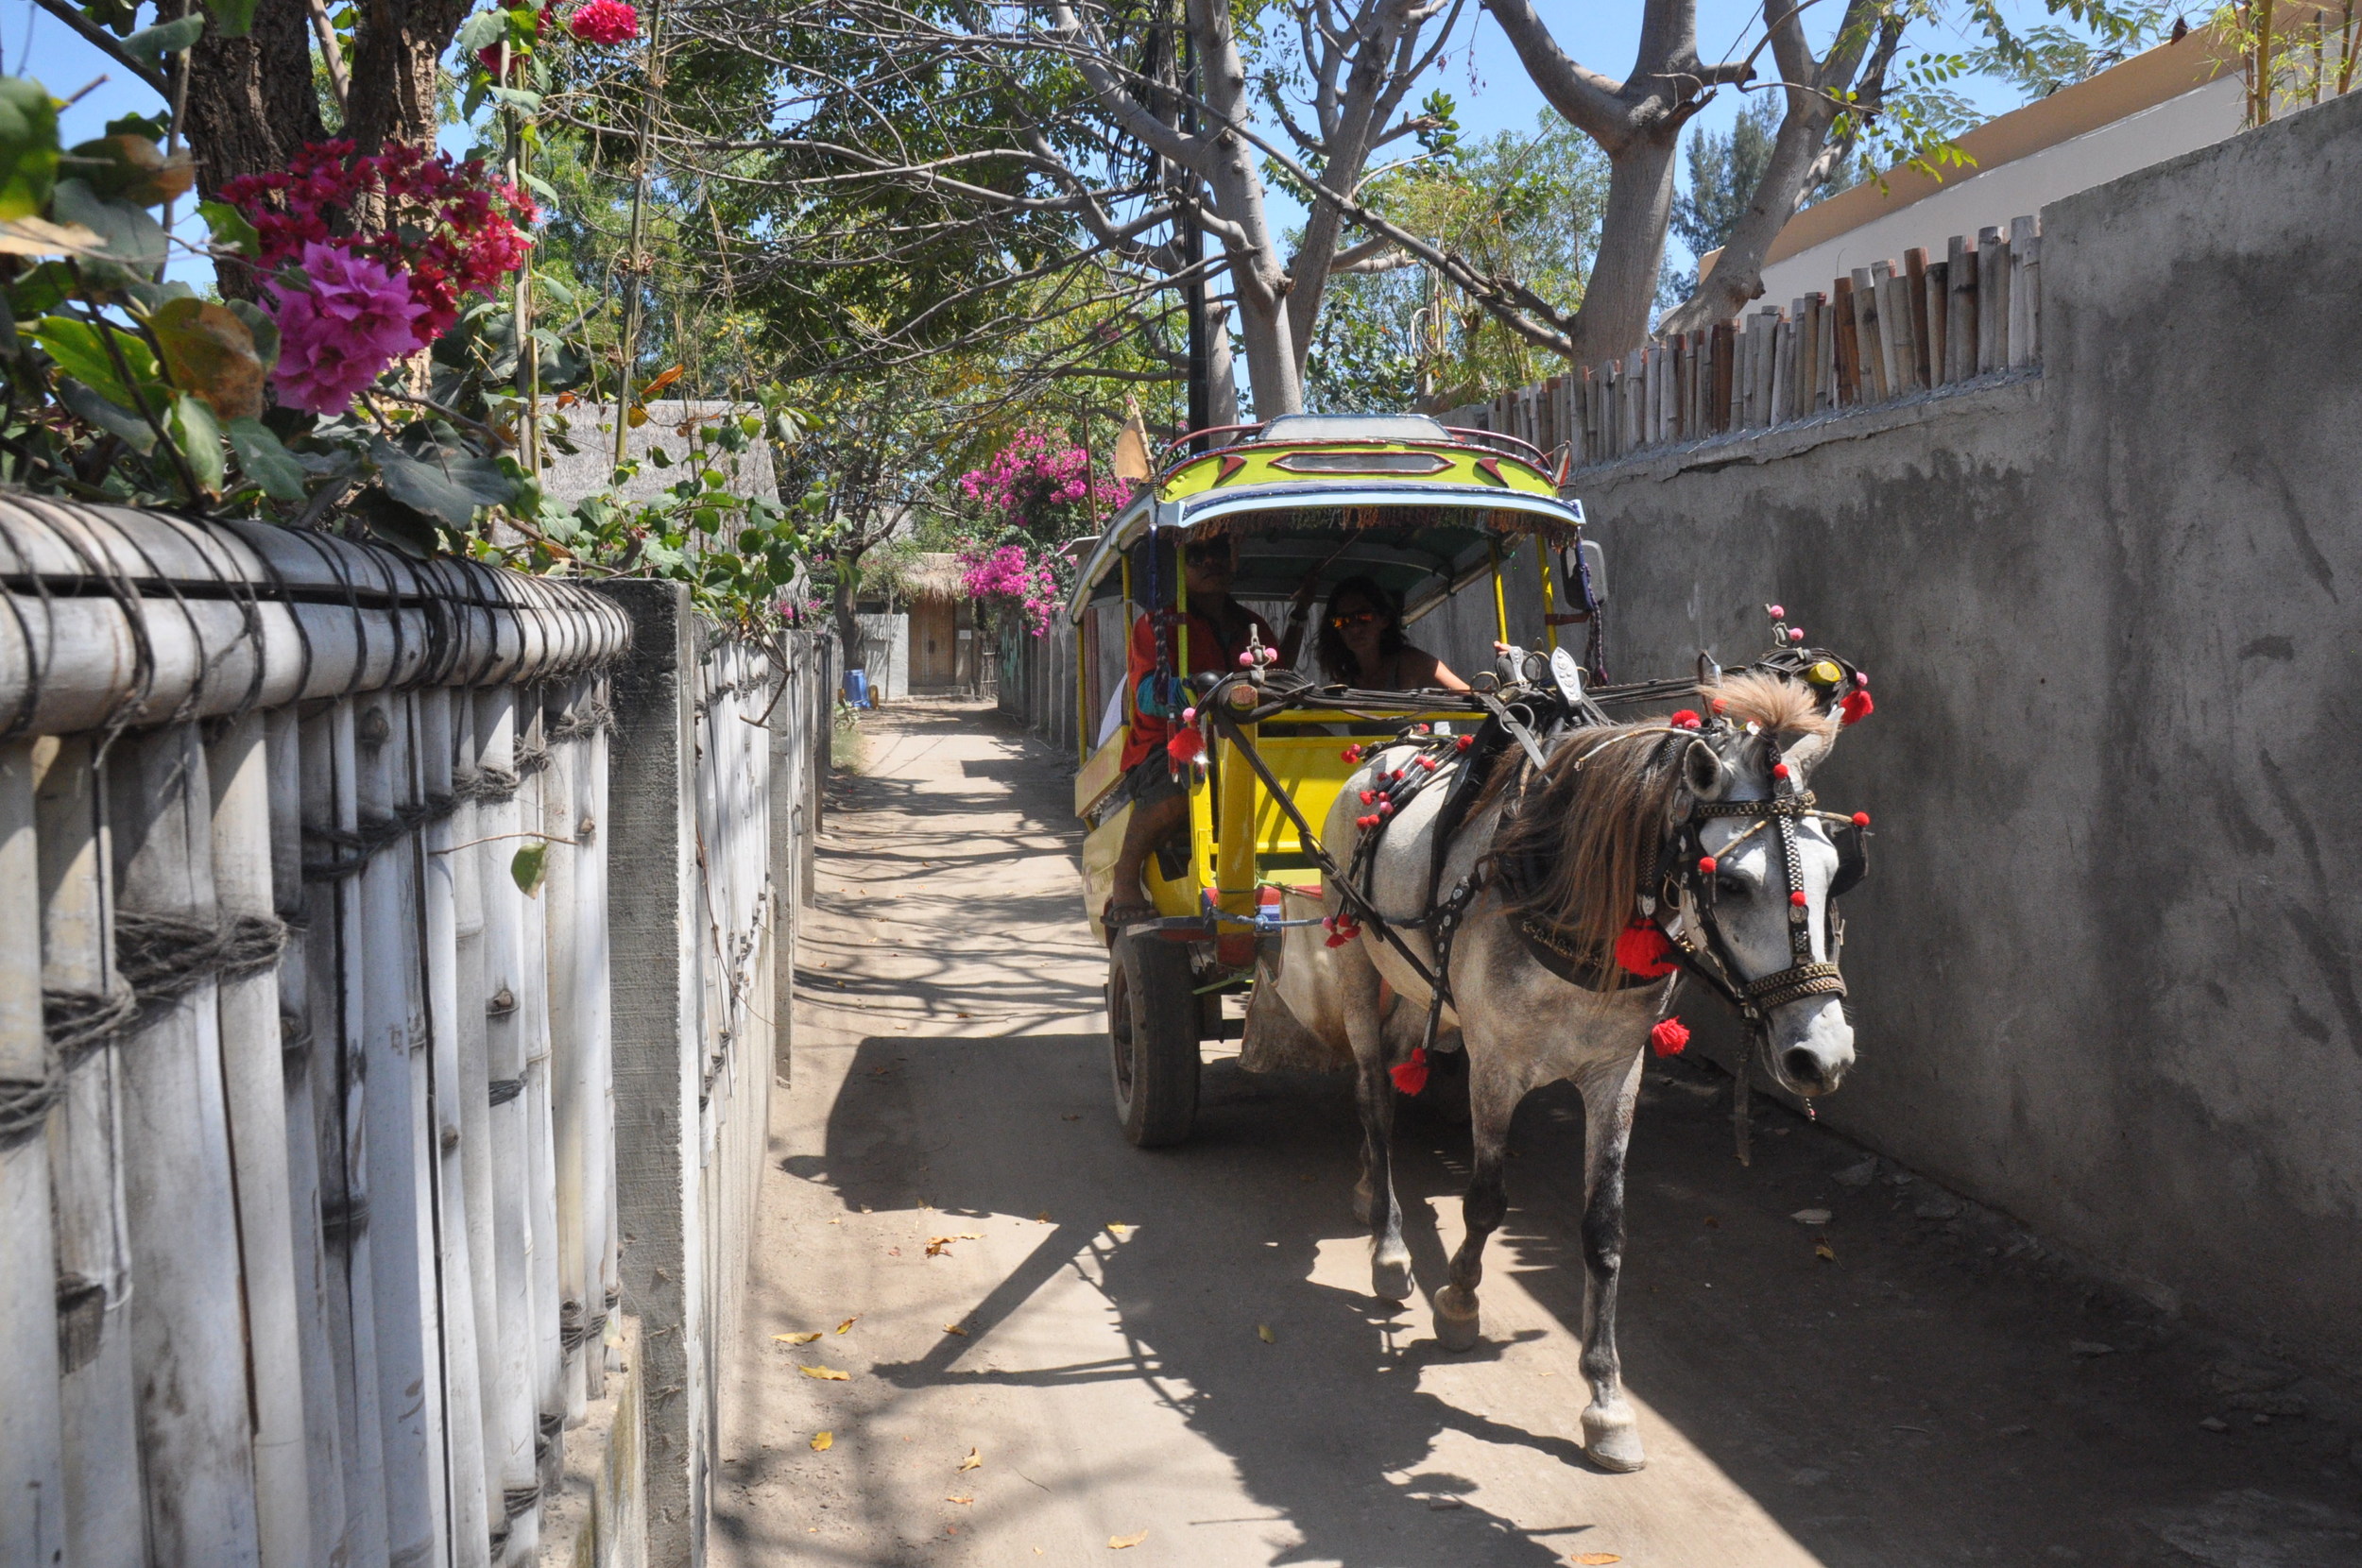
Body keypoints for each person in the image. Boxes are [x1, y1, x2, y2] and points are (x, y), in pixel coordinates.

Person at [1104, 535, 1277, 929]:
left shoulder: (1254, 626)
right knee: (1186, 788)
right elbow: (1146, 695)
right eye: (1195, 555)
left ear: (1232, 558)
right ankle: (1126, 874)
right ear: (1180, 566)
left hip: (1243, 738)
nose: (1207, 563)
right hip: (1164, 741)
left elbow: (1276, 680)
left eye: (1216, 553)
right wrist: (1193, 688)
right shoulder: (1156, 625)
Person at [1309, 574, 1469, 692]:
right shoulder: (1346, 682)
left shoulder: (1412, 663)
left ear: (1384, 620)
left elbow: (1473, 698)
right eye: (1342, 621)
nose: (1354, 628)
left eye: (1364, 617)